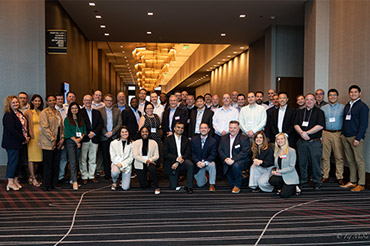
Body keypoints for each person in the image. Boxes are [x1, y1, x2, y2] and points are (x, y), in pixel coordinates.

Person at [294, 93, 325, 190]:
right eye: (307, 99)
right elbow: (295, 124)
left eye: (311, 99)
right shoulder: (300, 112)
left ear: (315, 101)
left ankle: (316, 181)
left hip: (314, 141)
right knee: (302, 162)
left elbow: (320, 126)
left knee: (315, 162)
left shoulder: (319, 112)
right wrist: (302, 133)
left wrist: (307, 133)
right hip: (302, 141)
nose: (309, 101)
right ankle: (303, 179)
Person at [341, 85, 369, 192]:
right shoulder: (347, 105)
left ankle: (361, 183)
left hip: (355, 137)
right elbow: (345, 120)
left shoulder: (362, 107)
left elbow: (363, 124)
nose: (353, 94)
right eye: (351, 92)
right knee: (350, 161)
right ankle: (352, 181)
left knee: (359, 161)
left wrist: (358, 138)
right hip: (346, 136)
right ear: (349, 94)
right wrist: (343, 134)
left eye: (355, 92)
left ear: (360, 93)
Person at [2, 95, 30, 191]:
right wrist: (23, 138)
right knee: (13, 162)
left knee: (19, 163)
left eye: (16, 102)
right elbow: (12, 130)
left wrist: (27, 137)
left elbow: (24, 127)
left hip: (20, 142)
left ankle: (15, 180)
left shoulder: (19, 113)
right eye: (13, 103)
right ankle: (10, 182)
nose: (15, 104)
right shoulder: (8, 115)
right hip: (12, 143)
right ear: (9, 104)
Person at [38, 95, 64, 191]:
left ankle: (54, 183)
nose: (52, 102)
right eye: (50, 100)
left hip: (58, 141)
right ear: (47, 102)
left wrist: (62, 138)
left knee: (56, 163)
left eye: (54, 100)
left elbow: (61, 127)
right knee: (48, 164)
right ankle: (47, 184)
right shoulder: (44, 113)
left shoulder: (57, 112)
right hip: (48, 141)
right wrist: (53, 139)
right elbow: (45, 128)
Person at [320, 89, 345, 185]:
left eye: (334, 95)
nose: (332, 97)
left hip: (338, 133)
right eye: (330, 95)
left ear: (337, 96)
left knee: (339, 156)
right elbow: (321, 122)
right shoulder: (323, 108)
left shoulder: (343, 108)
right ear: (328, 97)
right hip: (326, 133)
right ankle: (325, 175)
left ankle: (340, 176)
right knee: (325, 156)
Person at [218, 121, 250, 193]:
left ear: (238, 129)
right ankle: (236, 183)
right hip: (227, 160)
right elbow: (220, 150)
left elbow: (244, 152)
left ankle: (237, 186)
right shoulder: (223, 138)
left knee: (235, 165)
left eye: (235, 128)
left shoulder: (244, 138)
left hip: (240, 161)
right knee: (231, 184)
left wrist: (233, 160)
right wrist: (225, 159)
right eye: (231, 128)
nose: (232, 129)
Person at [212, 94, 239, 177]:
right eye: (224, 98)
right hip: (218, 136)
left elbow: (237, 122)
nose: (226, 100)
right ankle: (220, 175)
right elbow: (214, 123)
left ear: (230, 100)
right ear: (222, 100)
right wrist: (221, 131)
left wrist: (227, 131)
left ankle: (229, 174)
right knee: (219, 155)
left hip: (230, 136)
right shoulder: (218, 111)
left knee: (229, 154)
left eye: (228, 98)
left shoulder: (235, 111)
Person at [163, 121, 194, 193]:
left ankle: (190, 187)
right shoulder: (167, 139)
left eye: (182, 128)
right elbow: (165, 154)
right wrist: (176, 159)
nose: (180, 129)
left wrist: (179, 161)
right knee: (173, 187)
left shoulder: (186, 139)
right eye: (178, 127)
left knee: (190, 165)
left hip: (182, 160)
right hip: (171, 162)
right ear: (174, 128)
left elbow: (187, 152)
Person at [80, 94, 103, 184]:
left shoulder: (97, 112)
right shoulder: (80, 112)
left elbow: (100, 124)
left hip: (94, 138)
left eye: (89, 100)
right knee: (83, 159)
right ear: (83, 101)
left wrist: (94, 133)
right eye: (86, 100)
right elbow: (80, 125)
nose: (88, 102)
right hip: (84, 138)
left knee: (93, 158)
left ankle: (91, 175)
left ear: (92, 101)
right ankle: (84, 176)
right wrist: (87, 133)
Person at [98, 94, 122, 179]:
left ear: (112, 102)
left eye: (110, 100)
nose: (108, 102)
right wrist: (105, 133)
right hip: (104, 137)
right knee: (105, 156)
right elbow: (98, 124)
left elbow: (119, 124)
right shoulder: (99, 111)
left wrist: (112, 132)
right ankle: (107, 174)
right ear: (104, 101)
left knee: (115, 156)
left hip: (114, 137)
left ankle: (116, 173)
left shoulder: (117, 110)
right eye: (107, 100)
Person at [269, 133, 300, 198]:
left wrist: (279, 172)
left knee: (284, 195)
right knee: (272, 180)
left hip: (290, 176)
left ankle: (295, 187)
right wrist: (275, 171)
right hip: (282, 175)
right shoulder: (277, 152)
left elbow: (291, 167)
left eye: (282, 139)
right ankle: (282, 187)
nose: (280, 141)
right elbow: (276, 165)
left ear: (285, 140)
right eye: (278, 139)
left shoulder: (291, 151)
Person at [64, 102, 86, 190]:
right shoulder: (67, 119)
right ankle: (75, 181)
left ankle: (72, 178)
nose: (74, 110)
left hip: (80, 141)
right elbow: (68, 132)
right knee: (72, 161)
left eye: (76, 108)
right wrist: (76, 141)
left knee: (76, 161)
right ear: (70, 110)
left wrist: (80, 139)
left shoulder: (81, 119)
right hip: (71, 141)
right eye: (72, 108)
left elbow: (84, 131)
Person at [133, 126, 160, 194]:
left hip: (150, 162)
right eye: (143, 132)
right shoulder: (136, 142)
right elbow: (135, 155)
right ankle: (149, 180)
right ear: (140, 133)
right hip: (139, 163)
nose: (144, 133)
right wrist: (145, 161)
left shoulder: (153, 142)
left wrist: (149, 160)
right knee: (144, 186)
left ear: (149, 133)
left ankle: (156, 186)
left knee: (152, 168)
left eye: (146, 132)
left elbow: (157, 156)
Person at [24, 94, 44, 187]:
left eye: (39, 101)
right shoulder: (28, 112)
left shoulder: (42, 111)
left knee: (38, 159)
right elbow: (24, 126)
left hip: (41, 137)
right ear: (32, 102)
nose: (37, 102)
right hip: (32, 138)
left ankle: (31, 177)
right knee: (32, 158)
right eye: (35, 101)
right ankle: (33, 177)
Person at [191, 123, 217, 191]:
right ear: (199, 129)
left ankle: (212, 184)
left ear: (208, 129)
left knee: (212, 165)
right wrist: (197, 162)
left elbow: (213, 154)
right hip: (198, 164)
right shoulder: (194, 139)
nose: (203, 129)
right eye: (202, 128)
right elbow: (192, 153)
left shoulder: (213, 141)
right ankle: (205, 178)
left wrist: (205, 163)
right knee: (200, 185)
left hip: (207, 162)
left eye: (205, 128)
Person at [110, 126, 133, 191]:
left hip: (127, 166)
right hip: (116, 164)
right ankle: (114, 182)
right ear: (120, 133)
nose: (124, 133)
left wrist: (123, 166)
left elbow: (131, 158)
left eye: (126, 132)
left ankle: (122, 181)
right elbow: (113, 157)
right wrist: (120, 167)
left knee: (125, 188)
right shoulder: (113, 143)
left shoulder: (132, 143)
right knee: (115, 172)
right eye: (122, 132)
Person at [55, 94, 68, 183]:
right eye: (58, 99)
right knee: (56, 158)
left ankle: (61, 176)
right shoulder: (53, 110)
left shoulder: (66, 109)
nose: (60, 100)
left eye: (61, 99)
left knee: (63, 157)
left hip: (65, 136)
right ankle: (55, 176)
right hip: (55, 137)